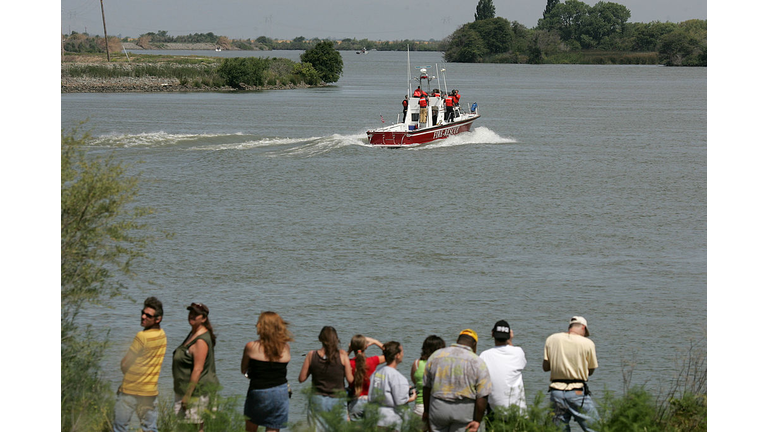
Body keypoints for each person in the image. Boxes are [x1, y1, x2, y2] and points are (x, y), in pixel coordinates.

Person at [113, 297, 167, 432]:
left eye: (148, 315)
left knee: (120, 428)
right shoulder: (162, 335)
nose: (143, 317)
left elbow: (125, 363)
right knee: (150, 428)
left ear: (158, 319)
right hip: (150, 393)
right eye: (142, 313)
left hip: (130, 391)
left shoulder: (141, 337)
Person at [422, 329, 492, 432]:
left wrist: (427, 411)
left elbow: (426, 387)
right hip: (464, 411)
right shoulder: (477, 362)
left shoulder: (436, 356)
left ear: (457, 340)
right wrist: (477, 420)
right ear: (474, 344)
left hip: (438, 408)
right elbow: (482, 395)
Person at [543, 316, 600, 432]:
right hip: (577, 392)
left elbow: (546, 367)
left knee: (558, 429)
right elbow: (591, 370)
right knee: (596, 428)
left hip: (556, 392)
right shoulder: (587, 343)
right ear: (583, 328)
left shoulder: (551, 339)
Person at [241, 311, 293, 432]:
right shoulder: (286, 347)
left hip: (258, 390)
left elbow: (243, 369)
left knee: (251, 428)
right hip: (280, 391)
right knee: (273, 428)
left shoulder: (251, 346)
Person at [172, 302, 220, 432]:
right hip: (187, 390)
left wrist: (187, 395)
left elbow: (198, 369)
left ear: (204, 318)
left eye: (196, 314)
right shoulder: (193, 333)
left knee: (194, 427)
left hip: (197, 392)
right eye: (191, 312)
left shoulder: (201, 340)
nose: (192, 316)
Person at [298, 326, 355, 431]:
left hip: (317, 398)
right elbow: (350, 380)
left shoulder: (311, 355)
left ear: (320, 339)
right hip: (338, 398)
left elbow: (301, 378)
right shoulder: (342, 355)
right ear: (336, 339)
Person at [478, 320, 527, 417]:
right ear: (509, 335)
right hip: (518, 413)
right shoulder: (518, 352)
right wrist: (510, 340)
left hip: (495, 412)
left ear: (492, 334)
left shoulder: (484, 355)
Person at [368, 341, 417, 431]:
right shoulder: (397, 377)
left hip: (374, 417)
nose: (403, 354)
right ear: (397, 355)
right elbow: (400, 401)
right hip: (390, 420)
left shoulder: (376, 372)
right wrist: (412, 398)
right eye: (402, 352)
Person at [347, 335, 385, 421]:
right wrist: (375, 341)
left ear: (353, 348)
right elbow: (389, 354)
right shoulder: (373, 361)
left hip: (355, 403)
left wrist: (349, 350)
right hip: (371, 402)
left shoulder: (349, 363)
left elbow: (338, 361)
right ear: (366, 347)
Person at [410, 335, 446, 417]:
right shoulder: (441, 365)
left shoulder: (416, 363)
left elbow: (415, 381)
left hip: (419, 406)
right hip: (437, 406)